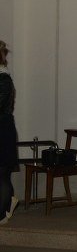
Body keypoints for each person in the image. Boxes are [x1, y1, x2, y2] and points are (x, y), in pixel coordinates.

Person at [0, 40, 18, 225]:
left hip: (2, 130)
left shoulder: (4, 79)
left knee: (2, 173)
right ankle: (8, 202)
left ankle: (2, 213)